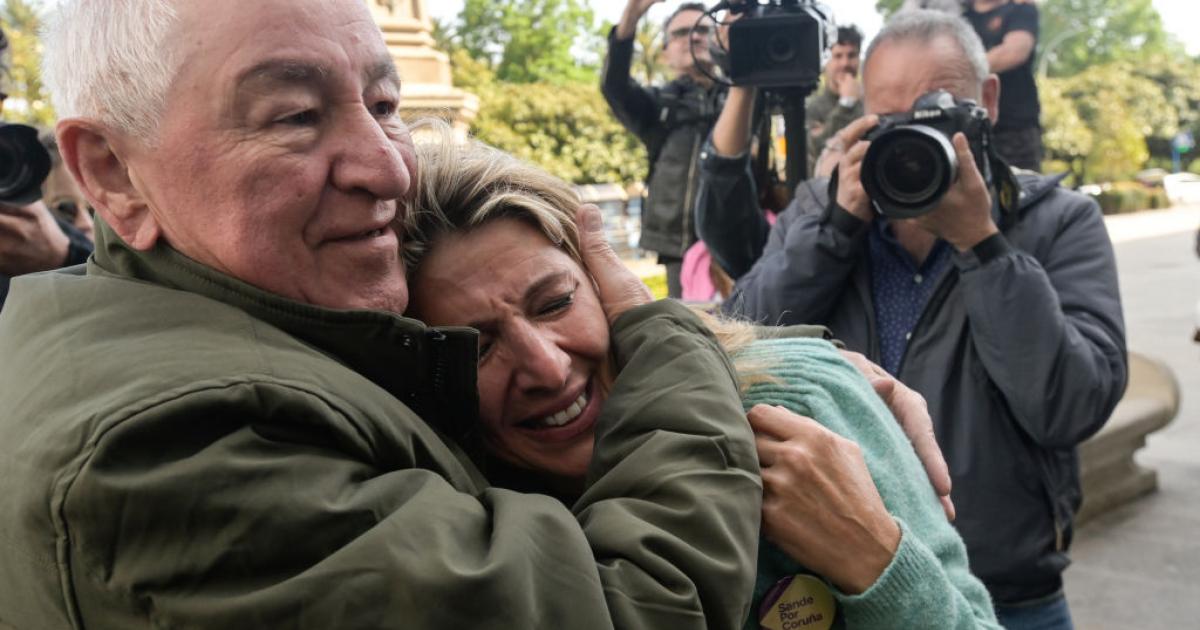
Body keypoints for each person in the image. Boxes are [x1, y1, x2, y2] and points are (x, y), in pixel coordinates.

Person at [0, 0, 775, 627]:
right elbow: (641, 606)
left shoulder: (169, 328)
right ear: (112, 173)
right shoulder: (167, 448)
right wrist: (664, 339)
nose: (389, 166)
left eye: (383, 103)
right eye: (295, 115)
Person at [400, 122, 1000, 628]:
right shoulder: (458, 525)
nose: (546, 367)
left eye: (555, 302)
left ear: (607, 284)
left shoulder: (798, 399)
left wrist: (877, 561)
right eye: (477, 348)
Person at [695, 9, 1127, 629]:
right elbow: (743, 354)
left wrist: (982, 244)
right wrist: (835, 230)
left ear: (990, 100)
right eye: (889, 122)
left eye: (935, 114)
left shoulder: (1058, 221)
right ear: (862, 113)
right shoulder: (826, 211)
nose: (908, 143)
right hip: (841, 589)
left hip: (1011, 591)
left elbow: (1071, 405)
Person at [602, 0, 724, 298]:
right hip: (678, 246)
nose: (694, 36)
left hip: (738, 241)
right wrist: (630, 18)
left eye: (704, 29)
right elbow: (615, 87)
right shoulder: (658, 105)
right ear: (666, 53)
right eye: (682, 32)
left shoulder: (743, 98)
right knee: (690, 333)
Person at [964, 0, 1043, 171]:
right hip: (967, 127)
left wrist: (958, 68)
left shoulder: (1021, 10)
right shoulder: (959, 17)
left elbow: (1015, 52)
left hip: (1015, 128)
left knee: (1023, 191)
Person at [806, 25, 865, 178]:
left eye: (851, 55)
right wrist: (846, 103)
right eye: (838, 56)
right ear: (826, 61)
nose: (845, 64)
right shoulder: (813, 107)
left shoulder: (870, 101)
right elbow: (818, 148)